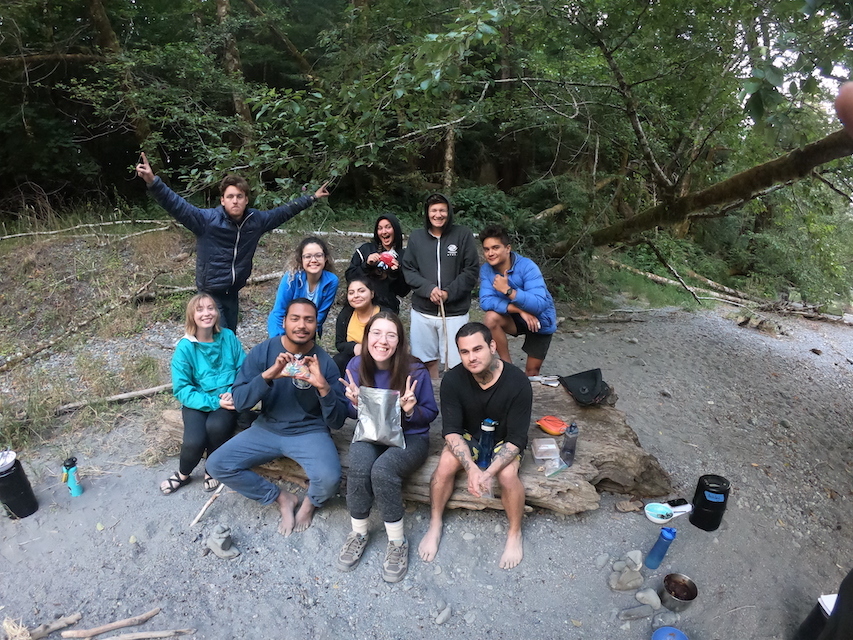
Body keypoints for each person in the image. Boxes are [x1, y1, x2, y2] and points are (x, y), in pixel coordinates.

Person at [135, 153, 329, 332]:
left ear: (246, 200)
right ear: (222, 201)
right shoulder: (207, 221)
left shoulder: (256, 221)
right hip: (210, 292)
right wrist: (153, 181)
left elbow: (284, 212)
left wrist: (312, 198)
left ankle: (229, 368)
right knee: (222, 336)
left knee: (229, 336)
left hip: (233, 291)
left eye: (239, 196)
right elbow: (177, 205)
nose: (235, 201)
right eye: (230, 197)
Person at [206, 299, 348, 536]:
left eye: (308, 320)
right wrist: (269, 375)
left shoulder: (324, 362)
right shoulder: (264, 351)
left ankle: (310, 503)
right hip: (267, 429)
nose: (301, 325)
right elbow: (240, 401)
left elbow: (337, 421)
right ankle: (282, 498)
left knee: (330, 478)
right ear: (284, 321)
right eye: (295, 318)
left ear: (316, 324)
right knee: (217, 464)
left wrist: (323, 386)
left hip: (309, 431)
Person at [417, 322, 532, 570]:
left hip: (504, 439)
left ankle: (514, 533)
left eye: (478, 349)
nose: (472, 357)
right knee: (446, 462)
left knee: (508, 474)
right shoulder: (454, 380)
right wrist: (471, 468)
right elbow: (452, 432)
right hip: (472, 436)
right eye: (465, 352)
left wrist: (487, 473)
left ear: (492, 346)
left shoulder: (518, 382)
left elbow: (517, 439)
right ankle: (435, 523)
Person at [337, 312, 438, 582]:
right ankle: (358, 532)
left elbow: (430, 414)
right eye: (376, 333)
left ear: (400, 342)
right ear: (367, 337)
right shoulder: (357, 364)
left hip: (411, 436)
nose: (382, 341)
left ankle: (397, 542)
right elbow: (349, 411)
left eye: (391, 335)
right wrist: (355, 404)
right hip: (372, 433)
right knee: (359, 466)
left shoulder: (415, 370)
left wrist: (410, 410)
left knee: (382, 471)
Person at [162, 293, 246, 495]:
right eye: (200, 309)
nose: (207, 313)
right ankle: (183, 474)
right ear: (192, 316)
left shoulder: (228, 337)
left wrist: (233, 392)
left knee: (217, 427)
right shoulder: (185, 347)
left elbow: (244, 369)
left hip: (227, 398)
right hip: (198, 401)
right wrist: (213, 402)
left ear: (217, 313)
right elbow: (182, 389)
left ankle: (211, 467)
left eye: (211, 308)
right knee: (194, 441)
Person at [401, 193, 479, 378]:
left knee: (458, 363)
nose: (438, 214)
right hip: (423, 311)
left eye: (442, 210)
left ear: (449, 211)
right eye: (434, 210)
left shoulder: (463, 235)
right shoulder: (417, 237)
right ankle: (431, 400)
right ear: (427, 213)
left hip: (455, 312)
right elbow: (409, 269)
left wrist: (449, 293)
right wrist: (429, 289)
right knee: (425, 361)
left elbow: (471, 270)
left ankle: (456, 399)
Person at [478, 224, 557, 376]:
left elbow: (539, 304)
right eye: (486, 249)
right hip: (514, 316)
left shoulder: (527, 267)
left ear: (507, 248)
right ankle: (508, 369)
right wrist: (520, 310)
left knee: (532, 372)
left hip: (539, 319)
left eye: (495, 248)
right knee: (490, 318)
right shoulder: (487, 270)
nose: (490, 253)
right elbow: (486, 301)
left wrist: (508, 291)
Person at [267, 237, 338, 339]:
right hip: (283, 329)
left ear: (325, 258)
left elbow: (321, 315)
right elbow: (279, 312)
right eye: (308, 256)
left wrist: (304, 338)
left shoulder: (331, 281)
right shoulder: (291, 278)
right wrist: (279, 339)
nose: (313, 260)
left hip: (308, 330)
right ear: (301, 260)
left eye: (318, 255)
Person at [345, 213, 410, 314]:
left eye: (388, 227)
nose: (383, 232)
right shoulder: (365, 249)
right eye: (380, 228)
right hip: (359, 306)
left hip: (386, 309)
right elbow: (349, 277)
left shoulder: (403, 256)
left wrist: (395, 273)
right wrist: (366, 266)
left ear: (395, 230)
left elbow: (402, 292)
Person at [332, 277, 387, 376]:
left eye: (361, 291)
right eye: (351, 293)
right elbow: (339, 344)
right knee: (338, 360)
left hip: (381, 357)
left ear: (372, 294)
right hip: (353, 357)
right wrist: (355, 347)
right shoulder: (345, 315)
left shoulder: (385, 314)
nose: (356, 296)